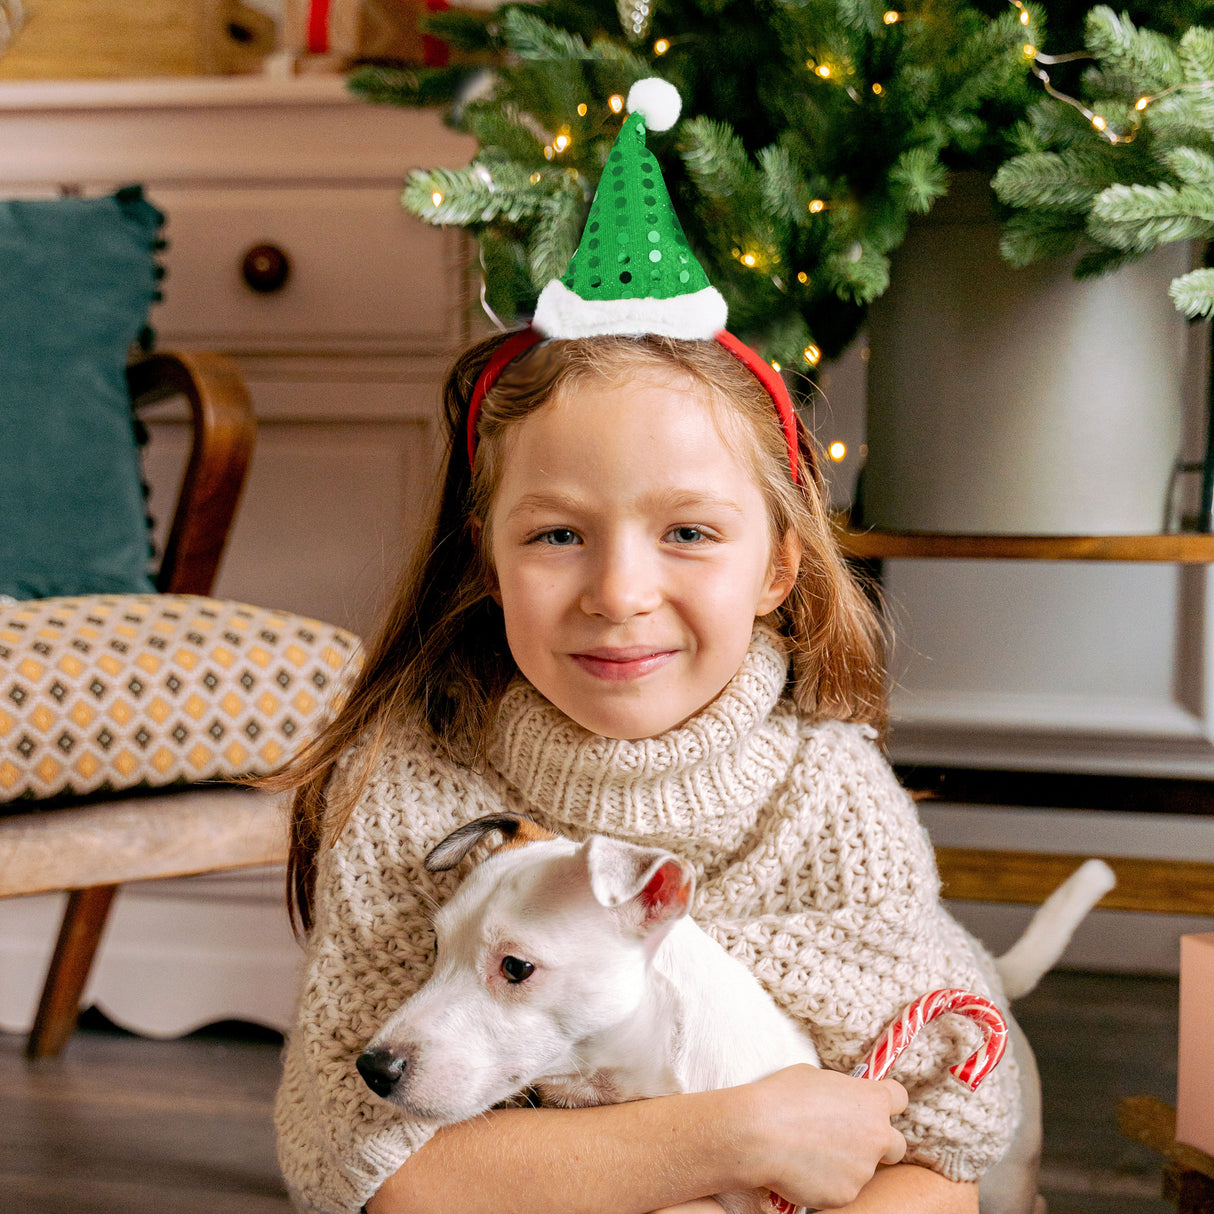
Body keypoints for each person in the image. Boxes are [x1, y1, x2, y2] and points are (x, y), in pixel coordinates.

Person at [271, 80, 1028, 1214]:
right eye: (559, 534)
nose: (619, 592)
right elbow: (365, 1158)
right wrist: (730, 1134)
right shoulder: (412, 786)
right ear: (486, 555)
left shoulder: (825, 796)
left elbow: (943, 1136)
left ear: (777, 563)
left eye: (686, 531)